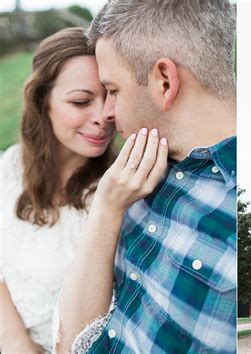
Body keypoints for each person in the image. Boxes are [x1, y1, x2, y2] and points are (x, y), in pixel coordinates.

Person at [55, 0, 236, 353]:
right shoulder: (134, 171)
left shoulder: (232, 215)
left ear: (165, 81)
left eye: (113, 90)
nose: (106, 112)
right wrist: (107, 206)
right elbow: (70, 344)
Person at [0, 27, 117, 353]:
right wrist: (16, 342)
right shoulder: (9, 168)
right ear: (42, 101)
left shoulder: (119, 192)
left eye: (110, 94)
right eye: (81, 101)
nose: (103, 117)